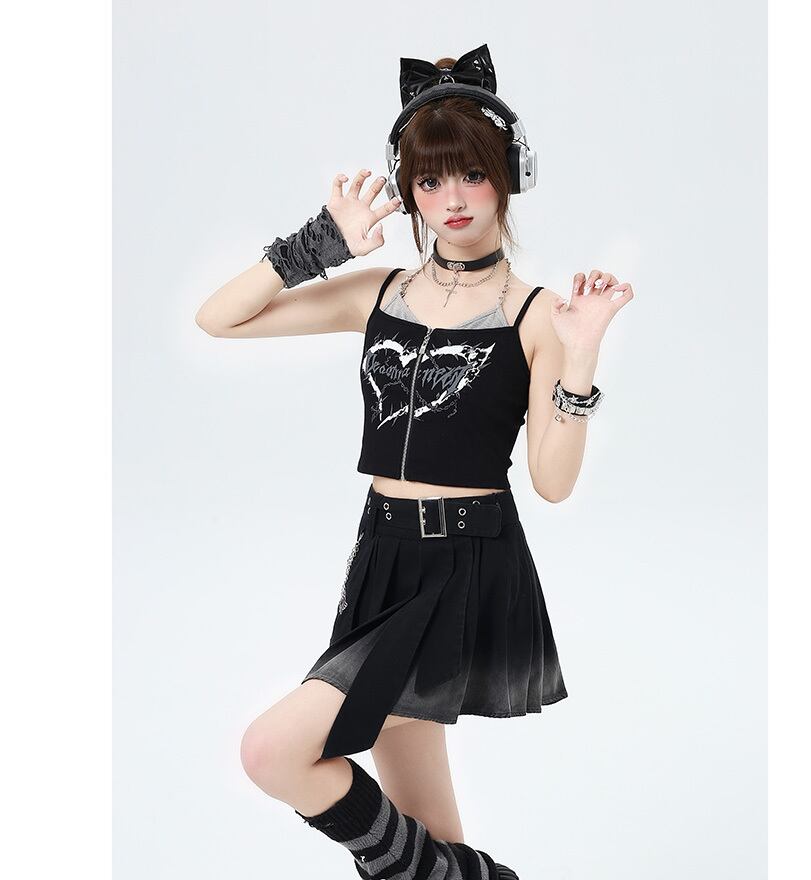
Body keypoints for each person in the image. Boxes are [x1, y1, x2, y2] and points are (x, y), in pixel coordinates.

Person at [195, 43, 633, 880]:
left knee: (272, 752)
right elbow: (221, 319)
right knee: (428, 828)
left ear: (508, 176)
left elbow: (552, 481)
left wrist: (578, 362)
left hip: (462, 567)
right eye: (430, 181)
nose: (452, 199)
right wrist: (319, 245)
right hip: (383, 559)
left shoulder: (538, 315)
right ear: (409, 191)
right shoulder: (381, 293)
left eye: (471, 173)